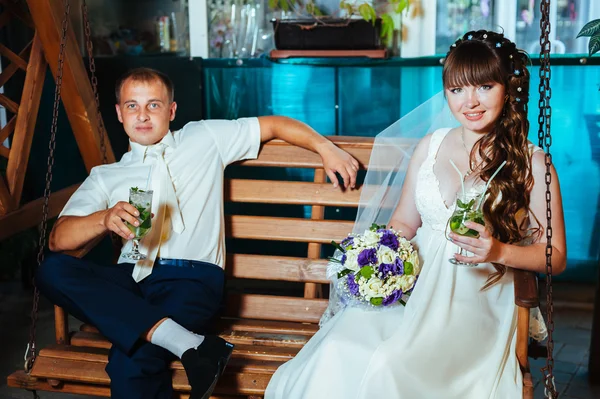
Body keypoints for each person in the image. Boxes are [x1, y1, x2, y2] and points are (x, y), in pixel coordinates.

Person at [265, 30, 567, 399]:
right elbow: (404, 223)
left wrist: (498, 252)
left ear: (508, 87)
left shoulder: (532, 163)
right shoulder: (432, 144)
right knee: (339, 348)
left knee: (389, 366)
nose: (469, 102)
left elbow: (555, 257)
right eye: (457, 90)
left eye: (484, 87)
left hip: (475, 299)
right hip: (416, 288)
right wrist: (377, 259)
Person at [35, 67, 359, 399]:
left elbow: (273, 125)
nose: (142, 115)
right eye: (132, 106)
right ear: (119, 113)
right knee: (52, 269)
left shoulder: (205, 137)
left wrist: (324, 147)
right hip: (129, 280)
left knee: (130, 361)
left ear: (171, 110)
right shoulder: (107, 175)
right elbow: (58, 239)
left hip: (190, 281)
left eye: (154, 105)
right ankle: (191, 345)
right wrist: (104, 219)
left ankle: (183, 342)